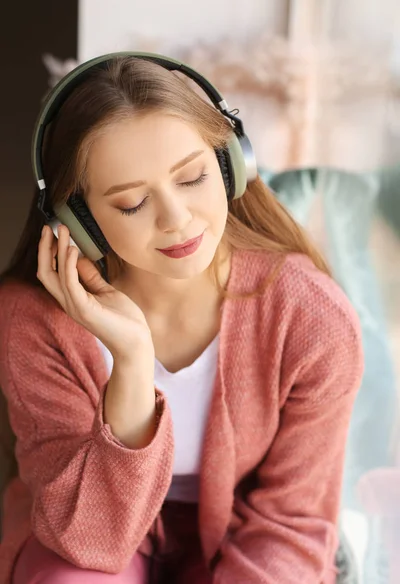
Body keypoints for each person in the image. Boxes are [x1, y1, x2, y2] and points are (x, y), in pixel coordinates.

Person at [0, 53, 363, 584]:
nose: (177, 220)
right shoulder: (33, 320)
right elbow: (86, 539)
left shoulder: (310, 316)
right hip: (90, 538)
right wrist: (130, 360)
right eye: (130, 204)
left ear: (232, 163)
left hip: (249, 533)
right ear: (78, 223)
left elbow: (291, 521)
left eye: (192, 178)